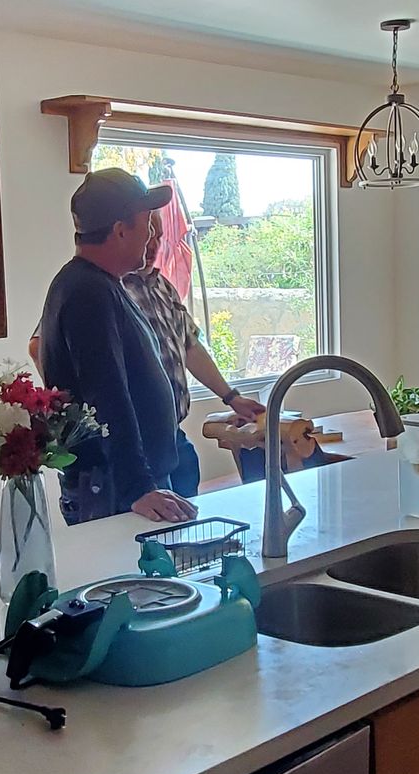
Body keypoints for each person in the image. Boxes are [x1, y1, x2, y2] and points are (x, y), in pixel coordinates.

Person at [32, 208, 265, 498]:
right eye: (148, 231)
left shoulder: (162, 287)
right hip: (127, 451)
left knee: (184, 527)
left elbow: (189, 345)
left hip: (168, 439)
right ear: (122, 231)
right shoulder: (98, 288)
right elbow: (41, 347)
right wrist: (79, 410)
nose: (152, 242)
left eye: (159, 235)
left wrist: (231, 396)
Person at [37, 169, 199, 525]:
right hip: (117, 491)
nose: (153, 234)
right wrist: (137, 486)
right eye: (146, 223)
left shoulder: (95, 285)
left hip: (129, 486)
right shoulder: (88, 294)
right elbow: (105, 393)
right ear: (120, 230)